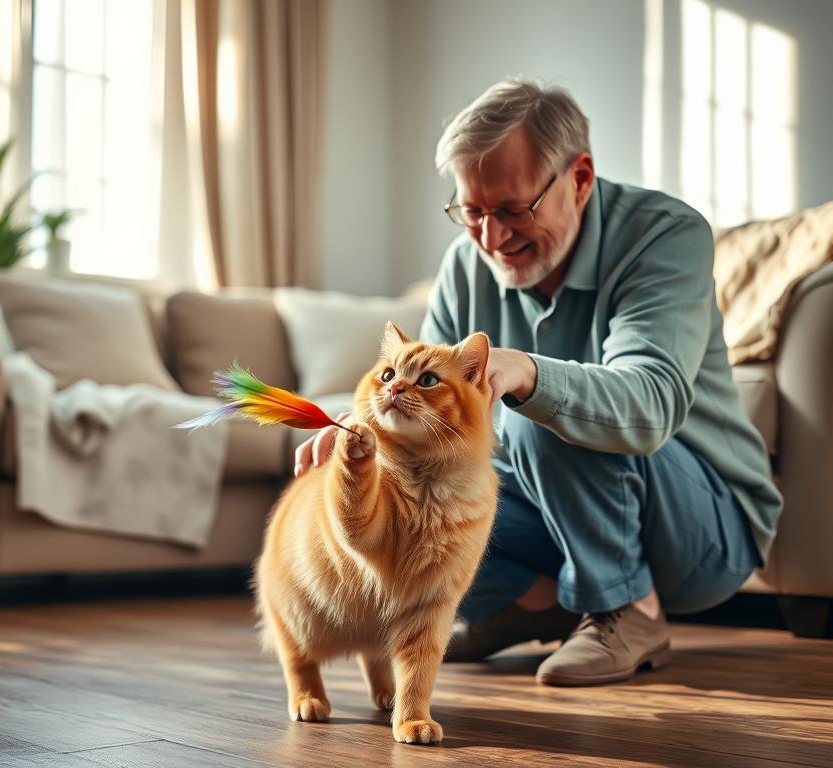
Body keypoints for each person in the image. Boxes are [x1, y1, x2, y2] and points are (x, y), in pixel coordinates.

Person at [294, 78, 782, 686]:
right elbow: (430, 414)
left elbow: (651, 405)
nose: (492, 239)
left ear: (580, 179)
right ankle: (541, 601)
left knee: (537, 417)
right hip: (552, 520)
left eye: (512, 210)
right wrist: (360, 439)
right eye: (473, 213)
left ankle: (627, 607)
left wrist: (529, 371)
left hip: (704, 530)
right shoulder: (465, 264)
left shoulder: (665, 236)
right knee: (408, 514)